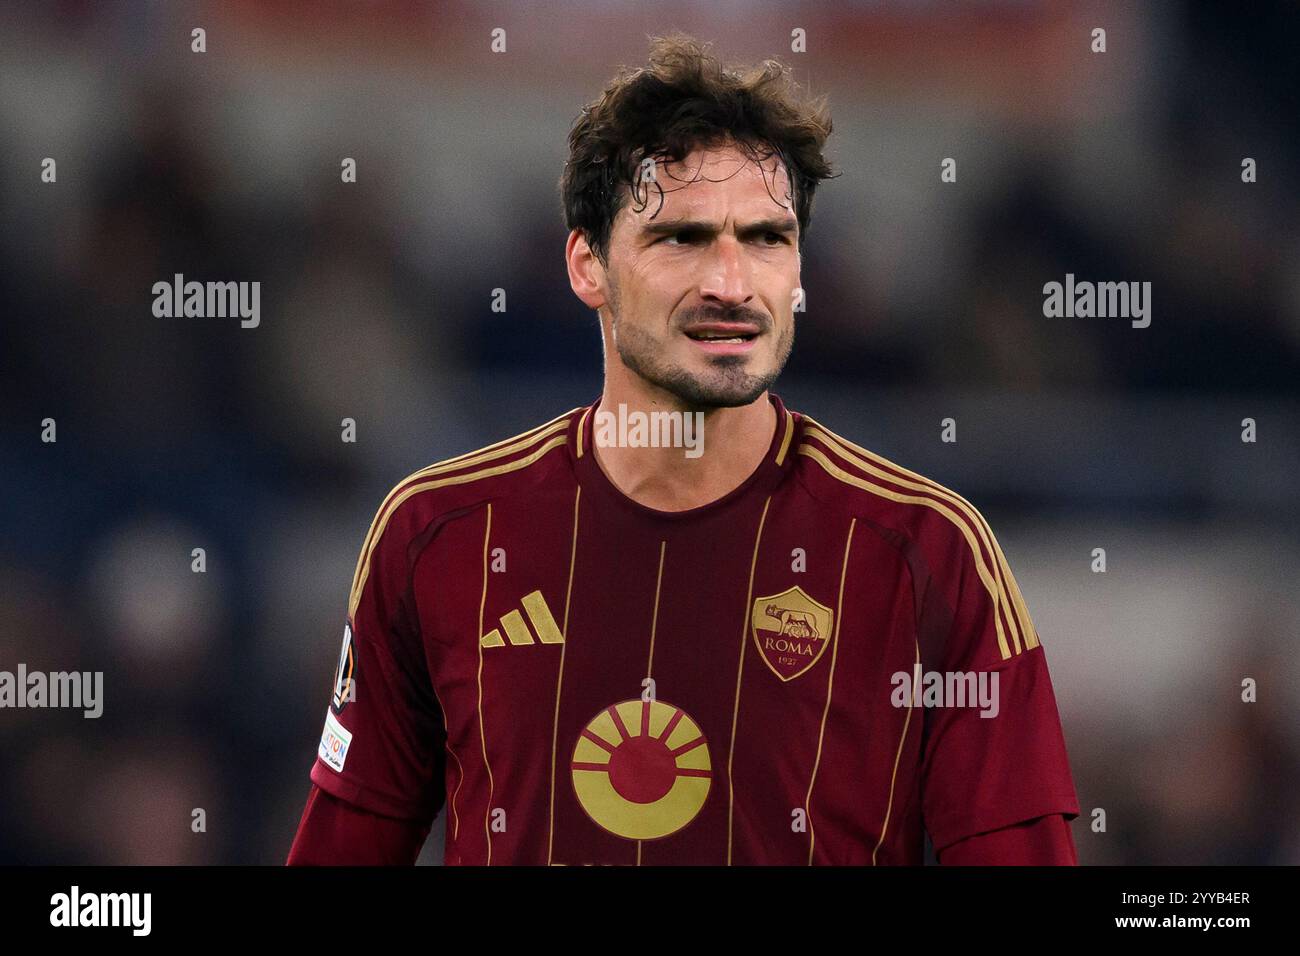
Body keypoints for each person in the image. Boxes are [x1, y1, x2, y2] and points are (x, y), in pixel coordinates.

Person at [288, 33, 1079, 866]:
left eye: (768, 239)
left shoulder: (931, 554)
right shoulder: (437, 536)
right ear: (589, 266)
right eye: (684, 239)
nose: (732, 285)